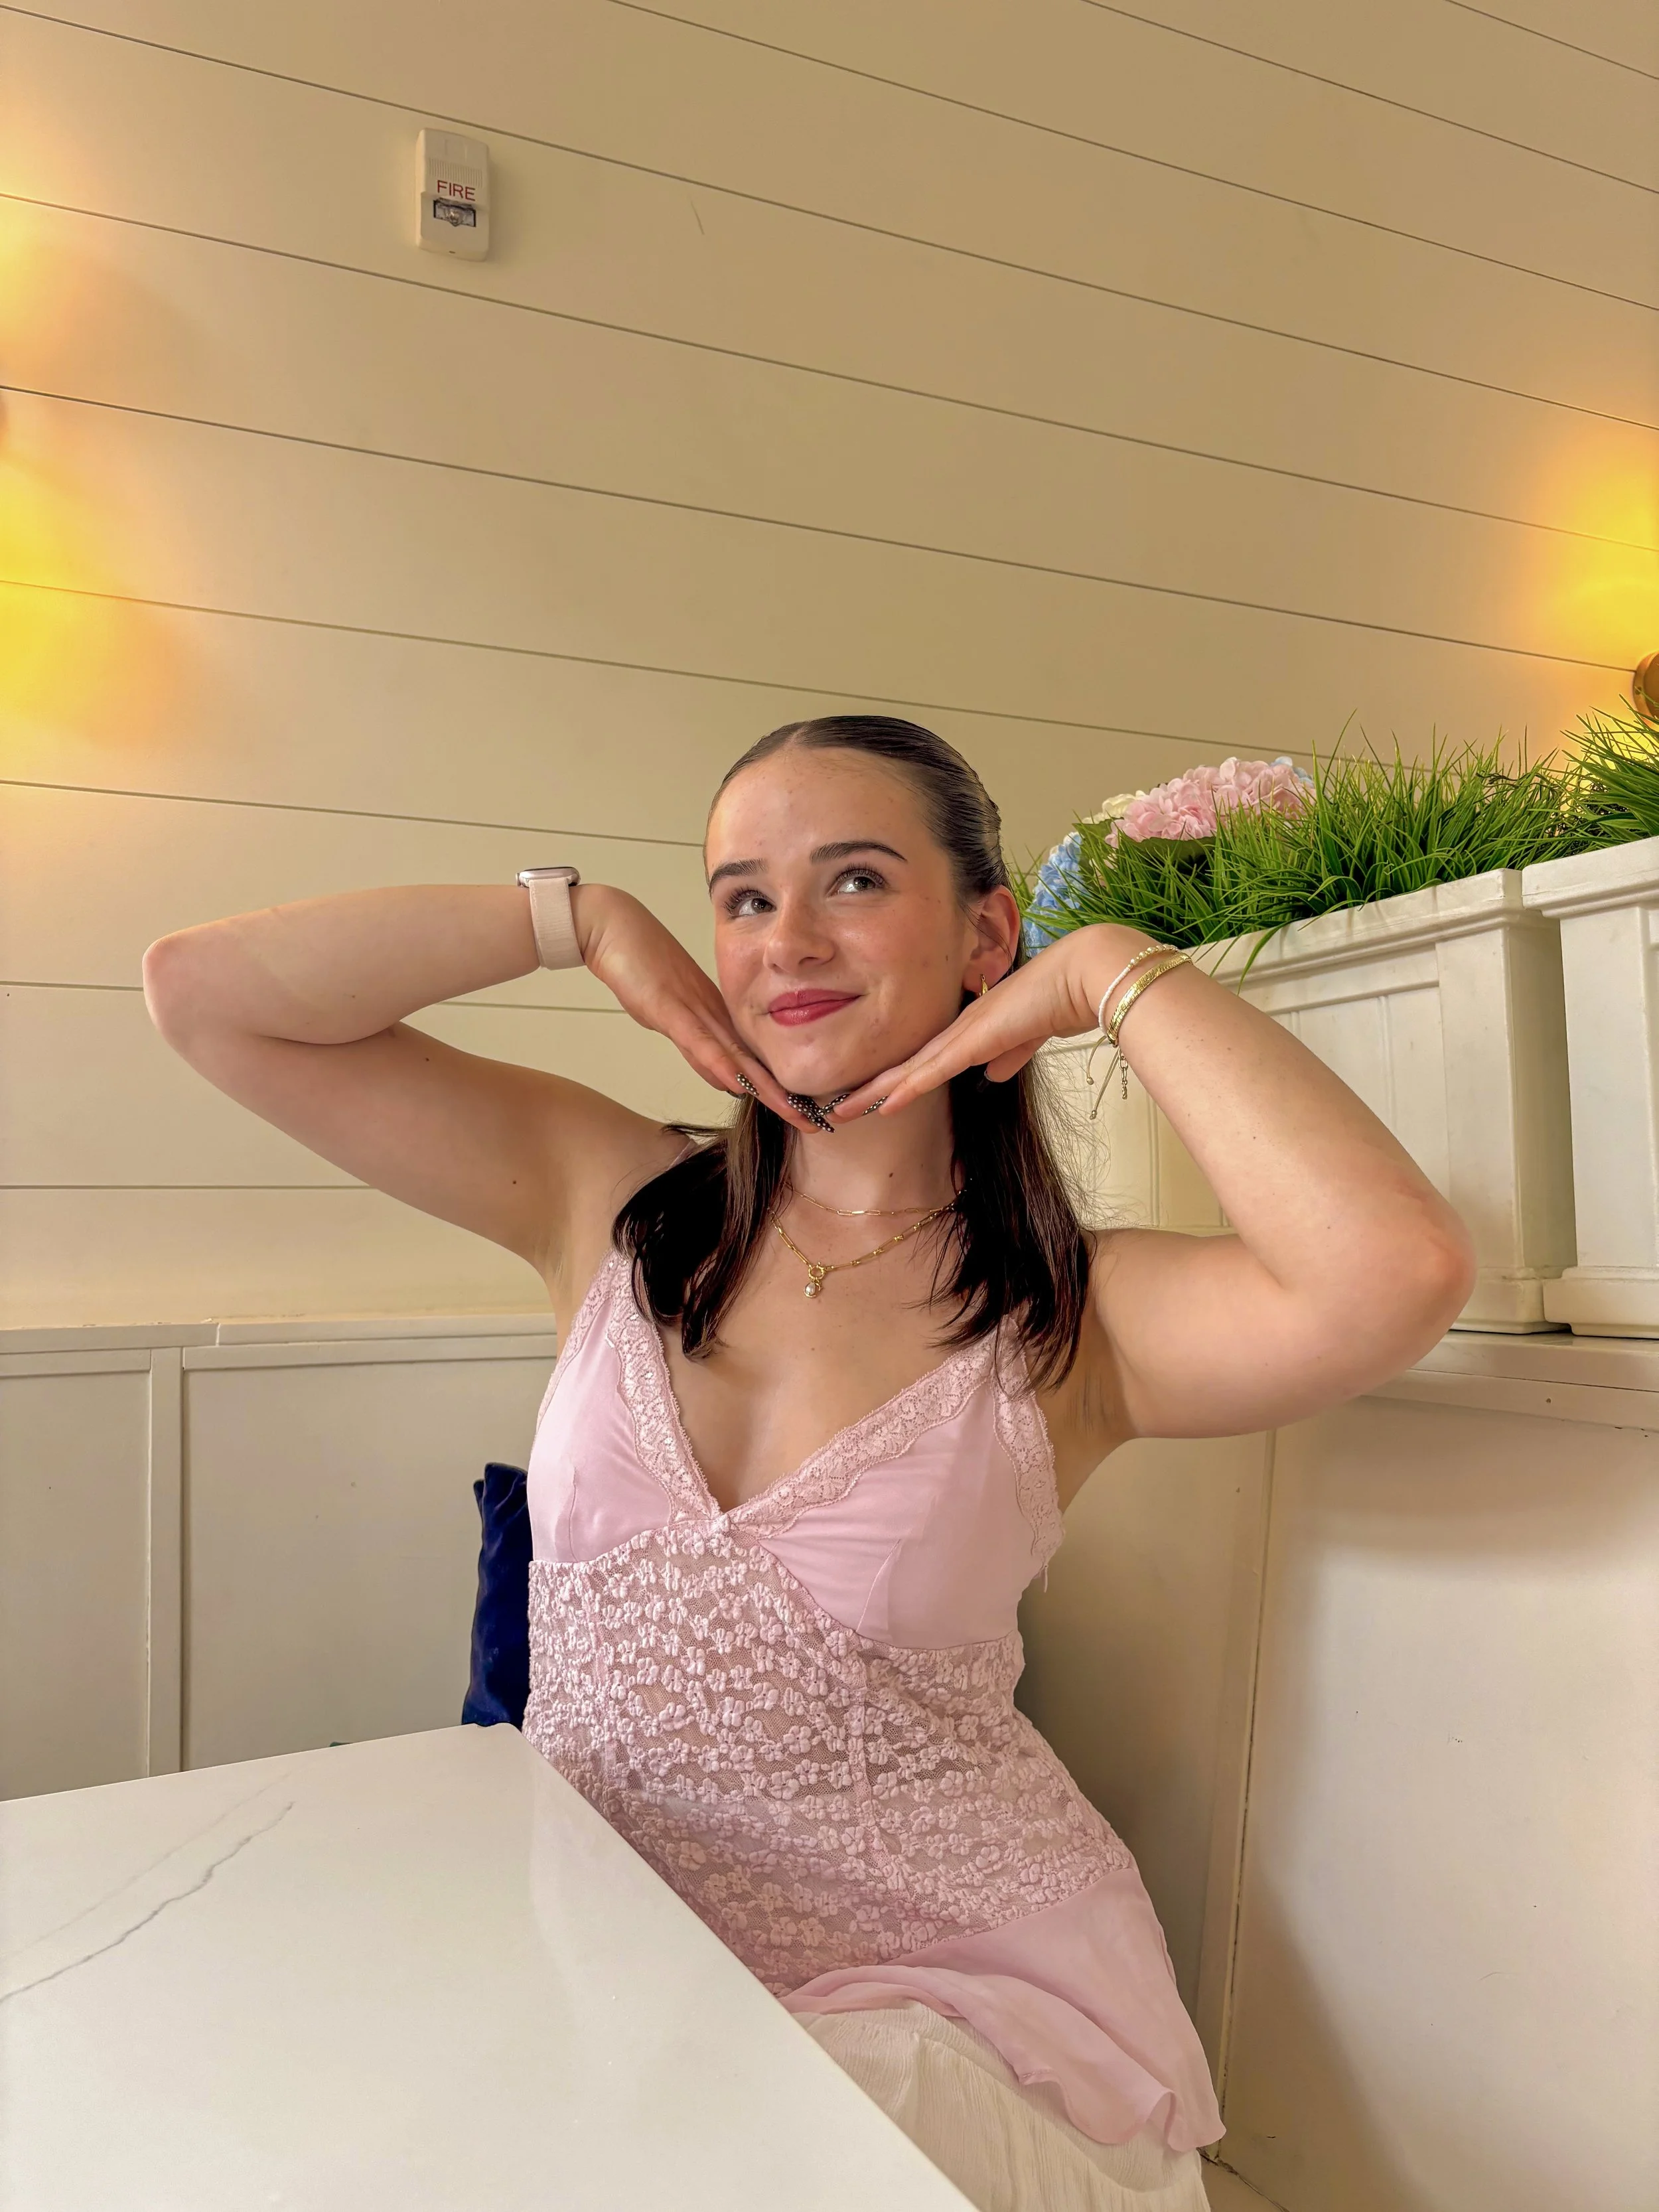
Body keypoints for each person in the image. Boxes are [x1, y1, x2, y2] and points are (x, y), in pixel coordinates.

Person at [143, 715, 1473, 2211]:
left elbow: (1395, 1270)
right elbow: (205, 999)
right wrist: (569, 919)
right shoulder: (608, 1198)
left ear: (983, 931)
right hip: (604, 1955)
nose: (786, 941)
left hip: (947, 2005)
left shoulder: (1071, 1314)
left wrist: (1101, 969)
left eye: (850, 881)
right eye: (742, 896)